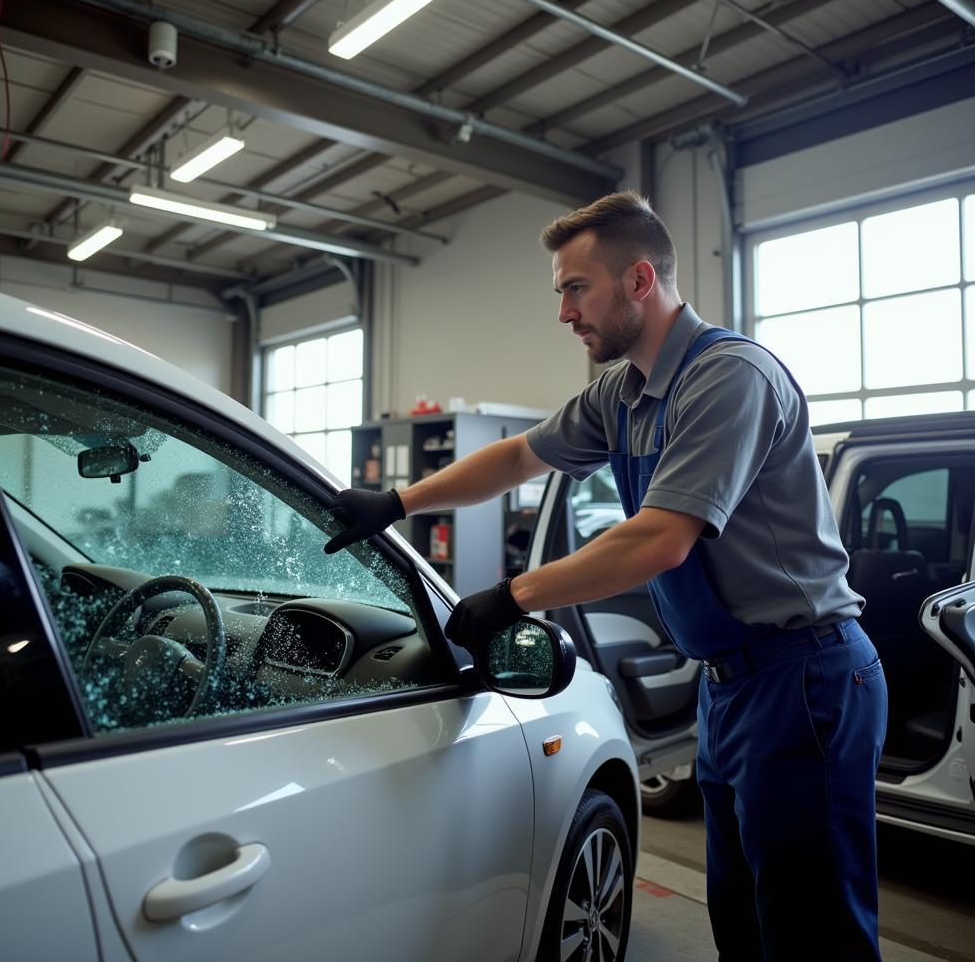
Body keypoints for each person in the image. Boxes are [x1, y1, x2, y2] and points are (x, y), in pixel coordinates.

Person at [324, 190, 887, 961]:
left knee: (810, 929)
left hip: (805, 677)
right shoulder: (622, 396)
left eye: (574, 288)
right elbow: (521, 455)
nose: (564, 312)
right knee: (745, 921)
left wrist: (512, 596)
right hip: (730, 683)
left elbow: (659, 540)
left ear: (640, 280)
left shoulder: (728, 378)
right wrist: (396, 500)